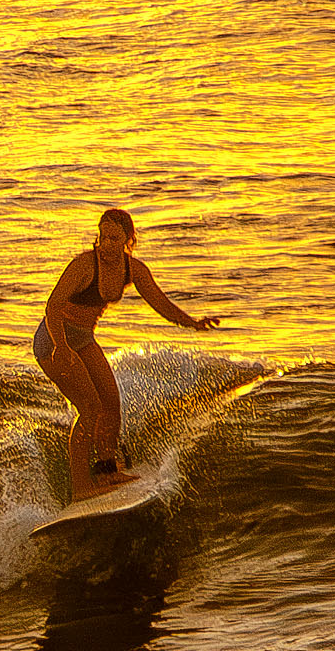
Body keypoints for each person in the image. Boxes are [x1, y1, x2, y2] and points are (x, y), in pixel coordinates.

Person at [34, 208, 221, 499]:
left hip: (82, 339)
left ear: (128, 239)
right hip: (53, 338)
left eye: (114, 238)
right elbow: (53, 306)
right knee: (90, 409)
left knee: (110, 402)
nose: (107, 244)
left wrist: (193, 323)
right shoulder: (84, 265)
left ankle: (108, 470)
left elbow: (161, 302)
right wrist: (61, 346)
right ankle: (80, 488)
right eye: (103, 237)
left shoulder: (133, 269)